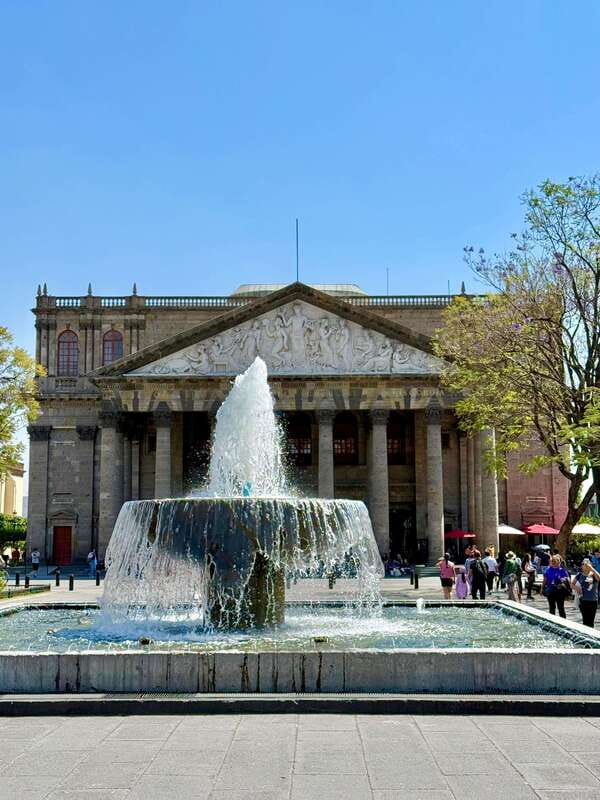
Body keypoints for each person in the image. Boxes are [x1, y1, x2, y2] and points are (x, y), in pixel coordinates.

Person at [571, 558, 600, 628]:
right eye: (583, 564)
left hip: (593, 600)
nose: (585, 566)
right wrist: (576, 588)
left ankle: (591, 634)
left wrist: (591, 569)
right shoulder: (579, 575)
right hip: (583, 600)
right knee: (585, 621)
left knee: (591, 621)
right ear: (582, 566)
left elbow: (599, 578)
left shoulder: (593, 574)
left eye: (587, 564)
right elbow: (572, 584)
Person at [541, 554, 571, 619]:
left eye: (555, 561)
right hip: (551, 591)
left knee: (561, 608)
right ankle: (552, 621)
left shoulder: (562, 570)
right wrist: (542, 588)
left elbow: (568, 580)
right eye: (552, 561)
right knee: (552, 608)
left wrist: (563, 580)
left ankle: (563, 622)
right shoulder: (548, 570)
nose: (553, 563)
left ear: (559, 562)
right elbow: (545, 580)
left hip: (560, 592)